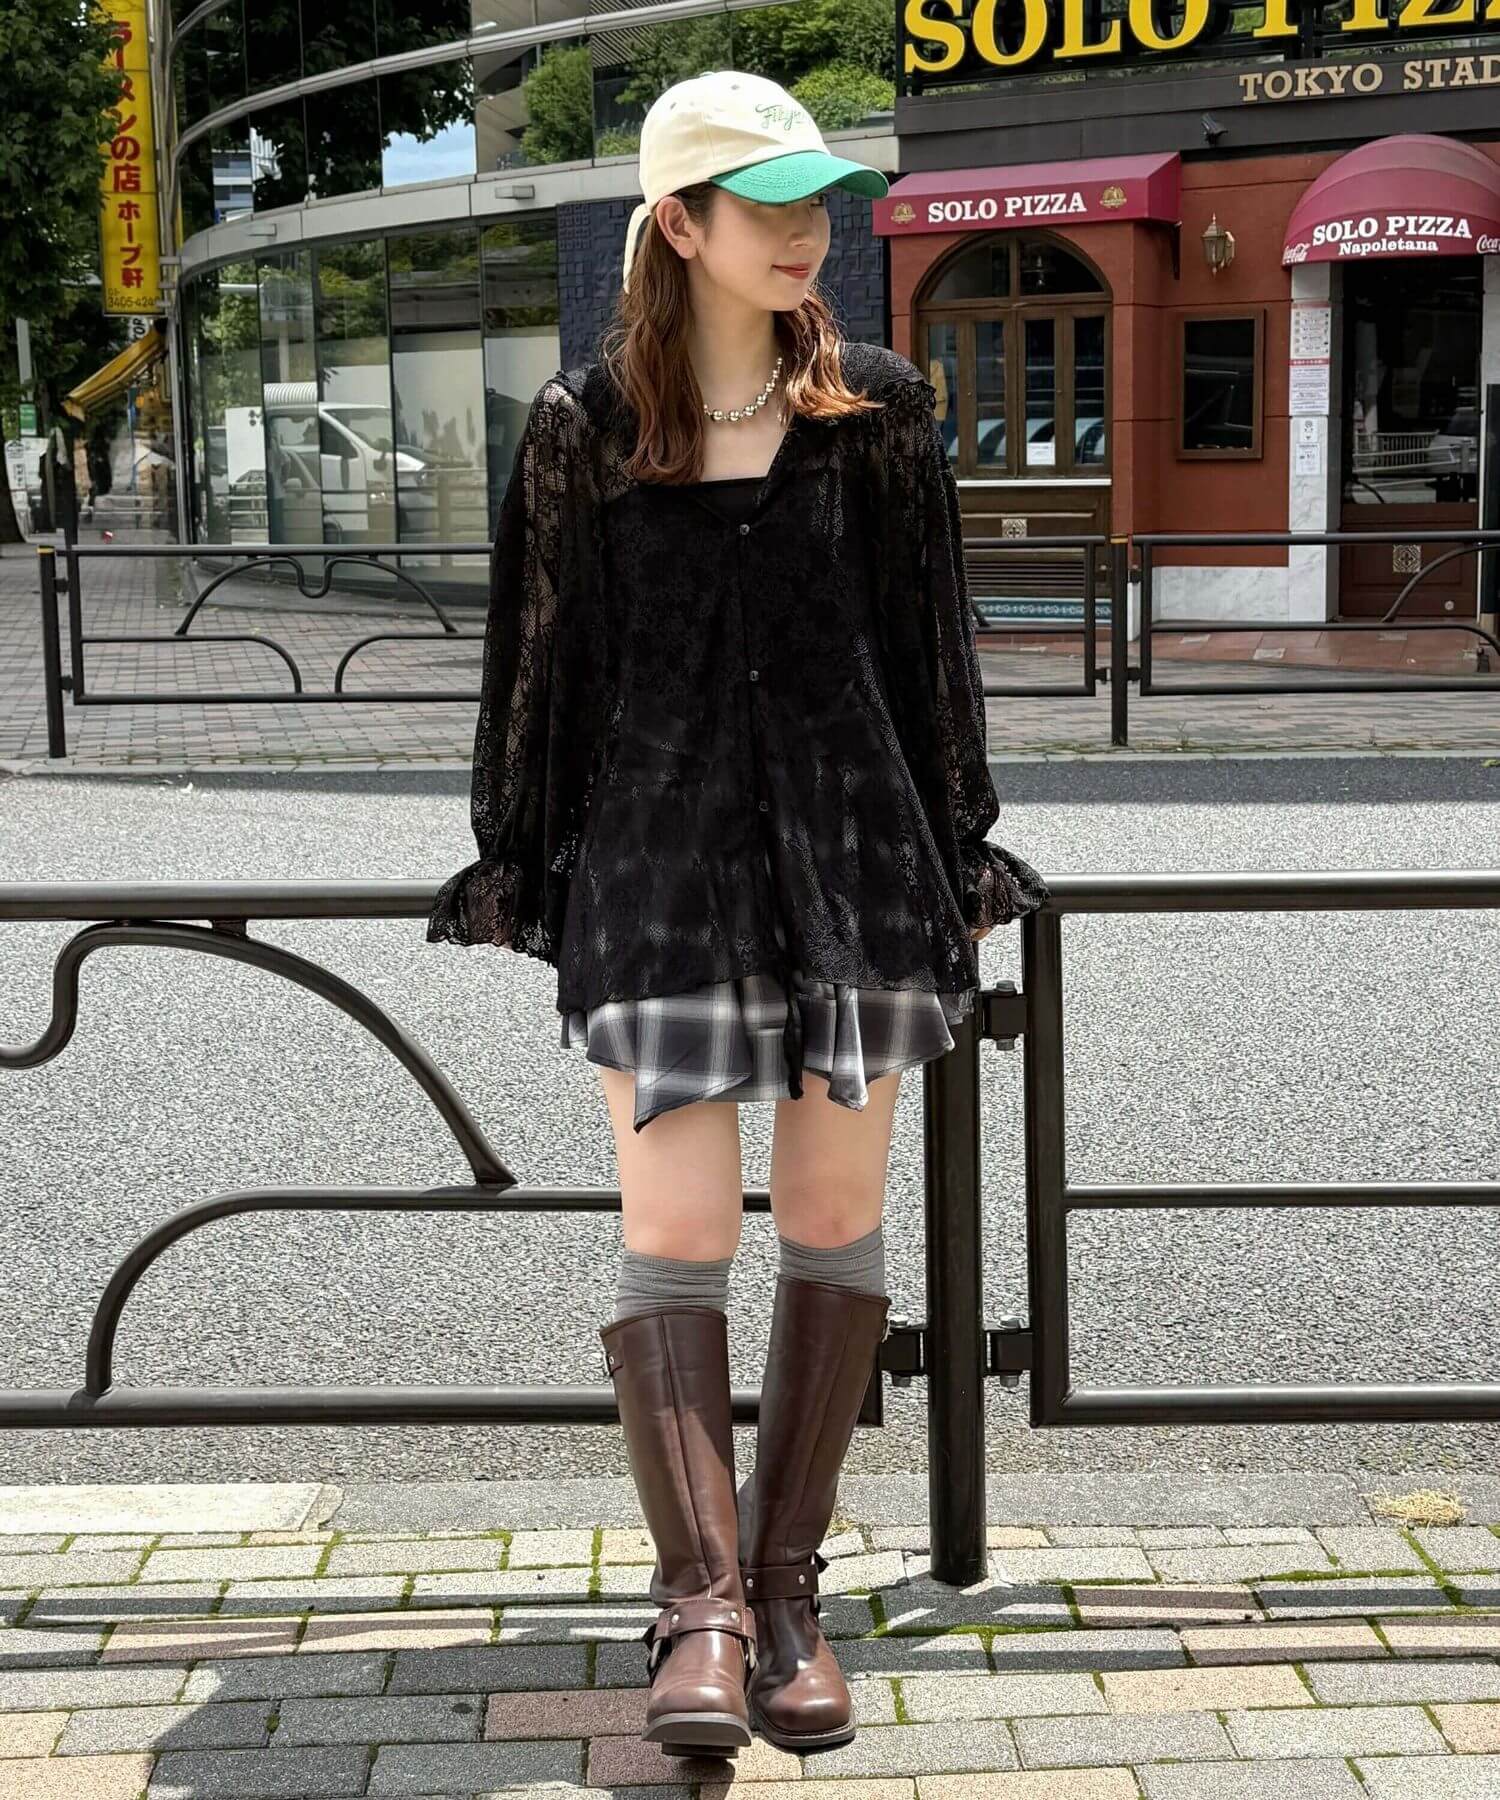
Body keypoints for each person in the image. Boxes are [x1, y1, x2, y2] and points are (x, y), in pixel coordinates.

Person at [428, 69, 1049, 1759]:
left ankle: (786, 1597)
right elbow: (540, 674)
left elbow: (929, 656)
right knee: (679, 1231)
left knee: (836, 1217)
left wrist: (959, 851)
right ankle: (697, 1605)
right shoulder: (583, 429)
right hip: (660, 872)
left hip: (853, 862)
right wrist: (528, 863)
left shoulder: (878, 414)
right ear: (678, 225)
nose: (806, 230)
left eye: (817, 200)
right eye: (764, 203)